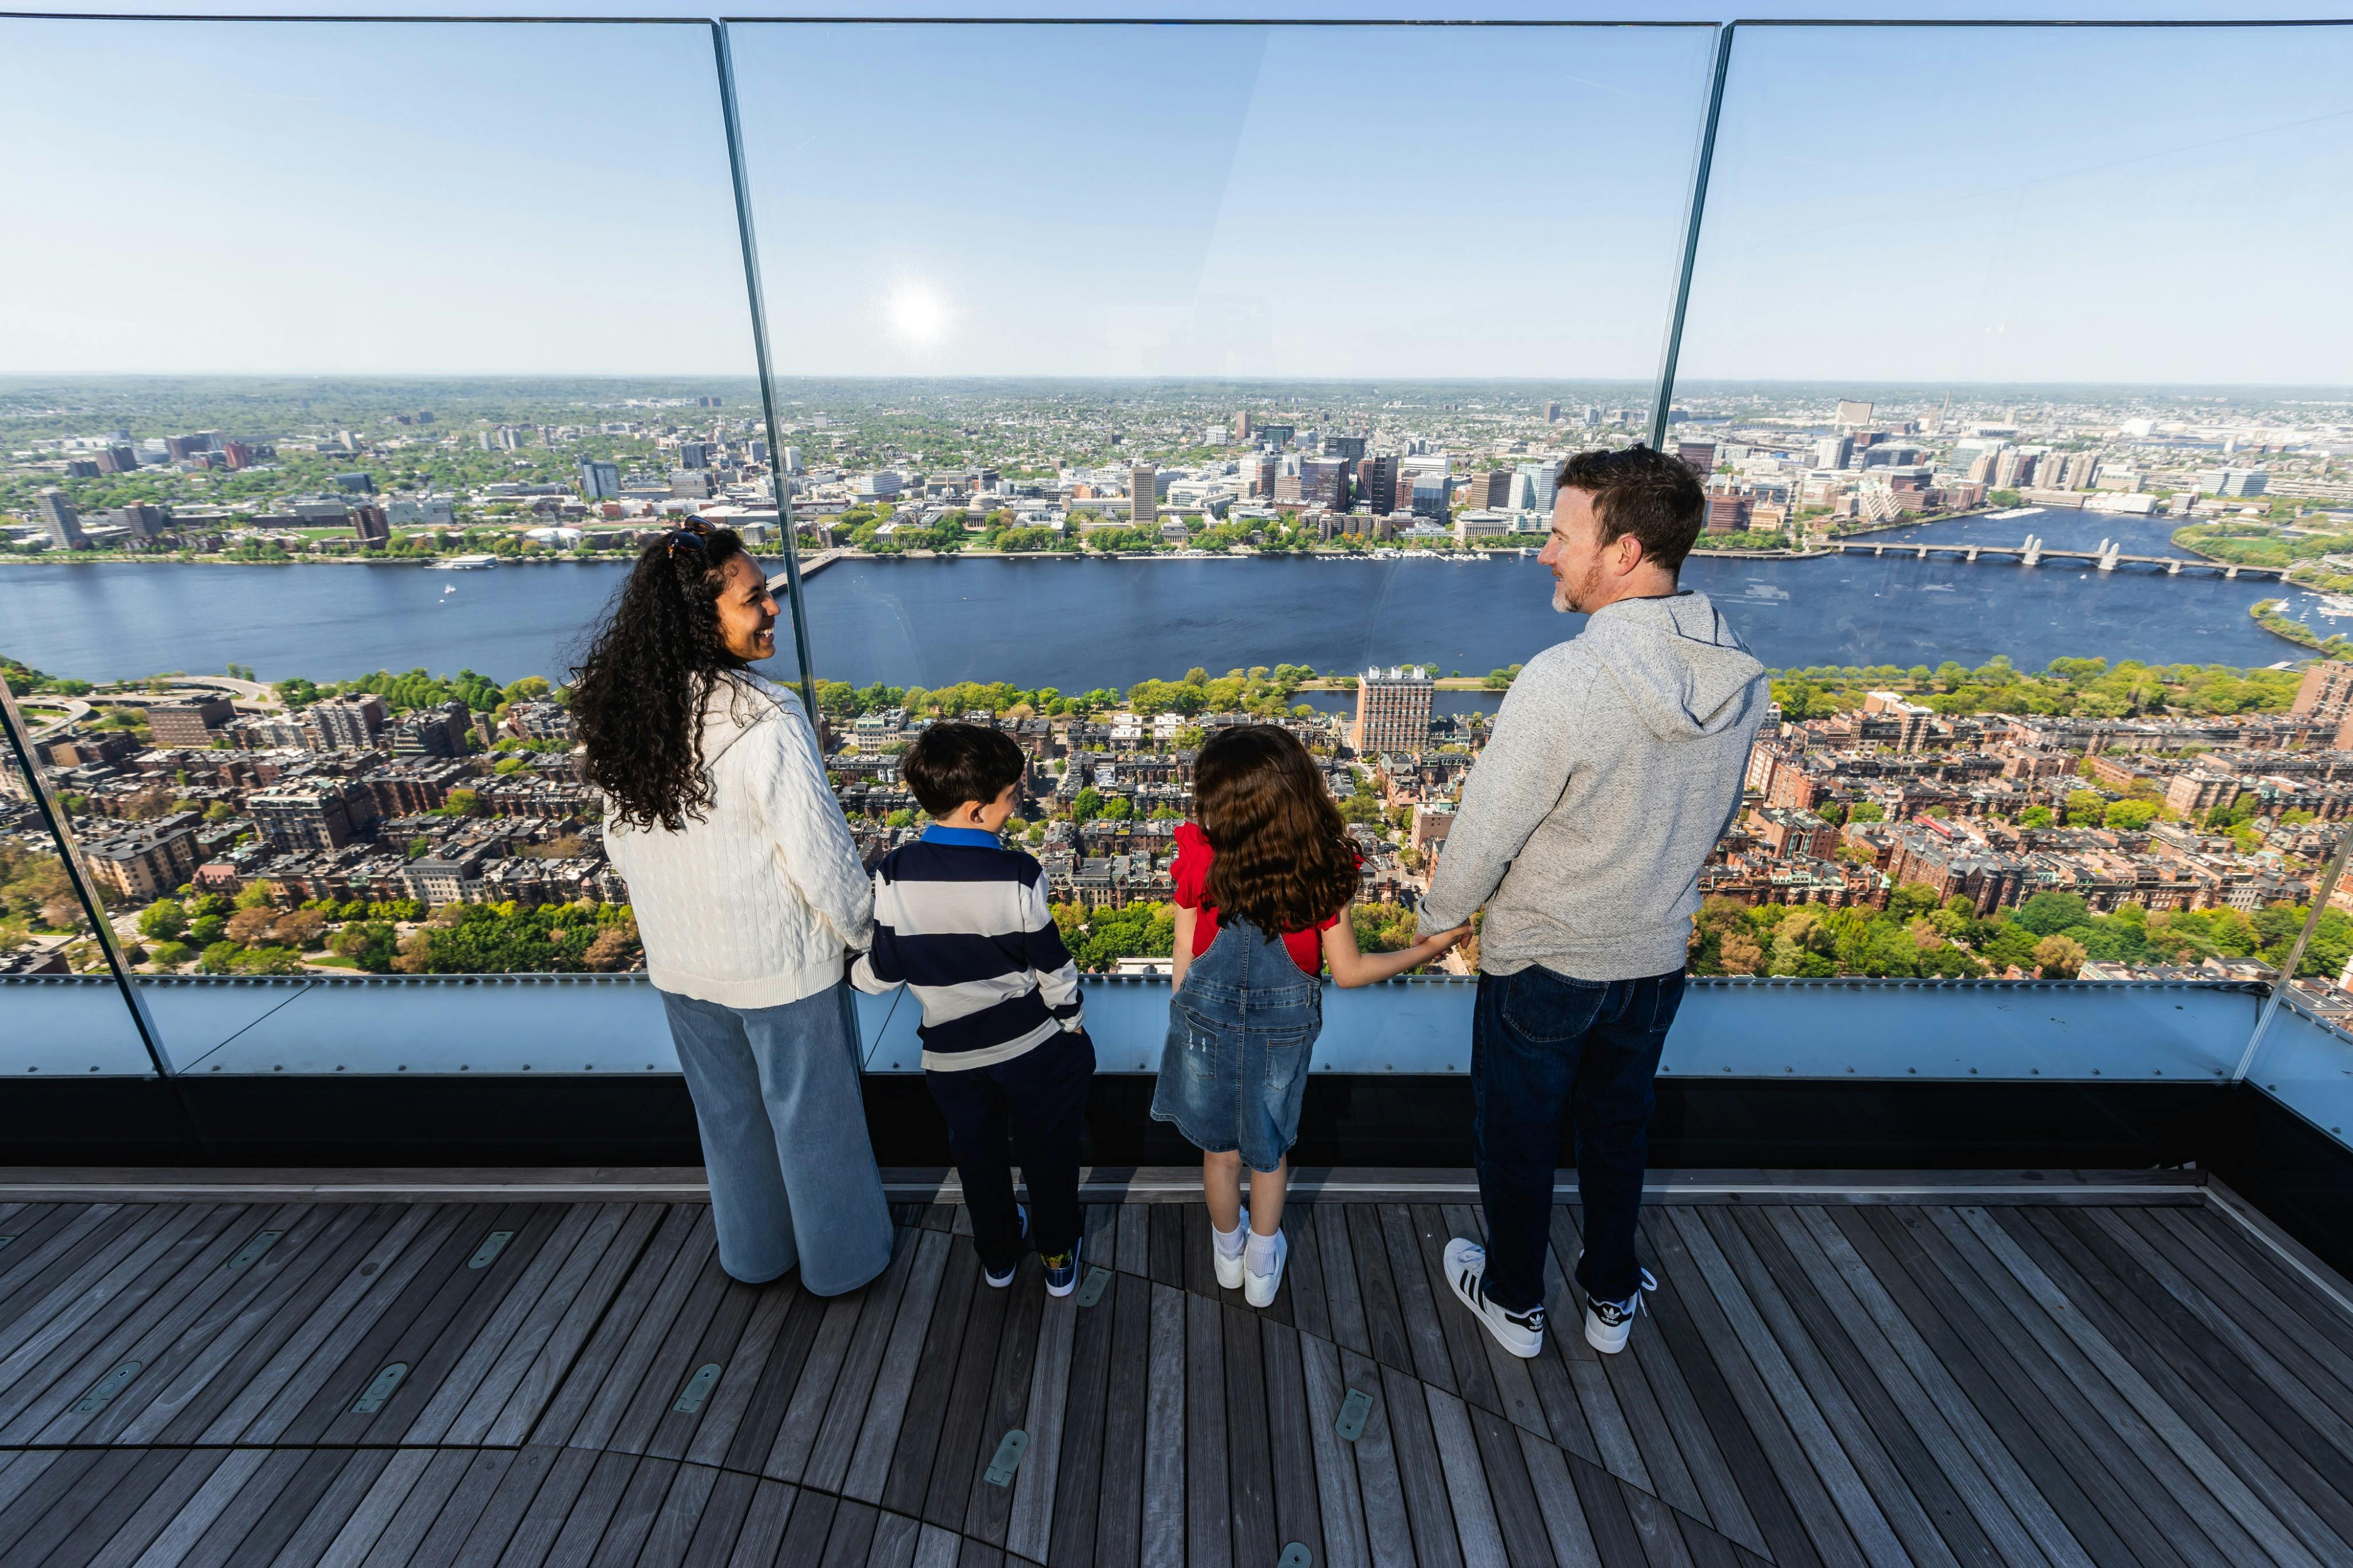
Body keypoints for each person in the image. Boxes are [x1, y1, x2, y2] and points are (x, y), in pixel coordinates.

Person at [1420, 446, 1768, 1360]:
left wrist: (1438, 917)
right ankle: (1611, 1295)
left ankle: (1515, 1301)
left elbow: (1487, 829)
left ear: (1621, 553)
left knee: (1520, 1138)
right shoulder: (1743, 679)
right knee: (1619, 1131)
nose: (1544, 552)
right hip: (1654, 958)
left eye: (1561, 533)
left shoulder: (1566, 680)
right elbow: (1714, 817)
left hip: (1545, 959)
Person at [574, 517, 893, 1296]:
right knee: (813, 1124)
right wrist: (866, 932)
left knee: (728, 1124)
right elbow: (819, 858)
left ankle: (754, 1255)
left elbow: (618, 845)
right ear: (704, 615)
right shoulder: (768, 717)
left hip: (683, 963)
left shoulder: (623, 714)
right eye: (755, 600)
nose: (774, 609)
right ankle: (841, 1265)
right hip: (778, 969)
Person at [1155, 724, 1467, 1306]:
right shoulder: (1321, 869)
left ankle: (1227, 1253)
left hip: (1203, 1023)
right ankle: (1262, 1264)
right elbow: (1347, 972)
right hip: (1281, 1032)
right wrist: (1427, 948)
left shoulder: (1199, 857)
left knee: (1218, 1155)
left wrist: (1185, 1016)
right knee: (1268, 1153)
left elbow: (1183, 951)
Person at [851, 722, 1093, 1295]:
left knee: (977, 1159)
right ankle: (1057, 1255)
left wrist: (849, 978)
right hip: (1029, 1048)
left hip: (951, 1059)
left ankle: (998, 1257)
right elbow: (1053, 969)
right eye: (1011, 799)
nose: (1015, 809)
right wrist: (1072, 1024)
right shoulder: (1018, 873)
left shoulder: (894, 872)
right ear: (978, 811)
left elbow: (884, 971)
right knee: (1047, 1154)